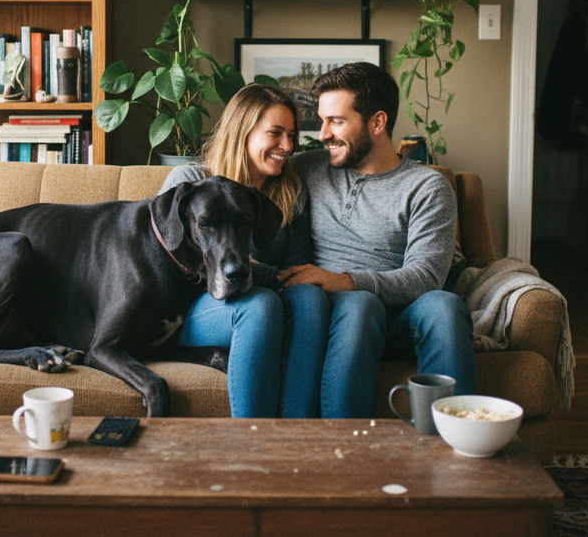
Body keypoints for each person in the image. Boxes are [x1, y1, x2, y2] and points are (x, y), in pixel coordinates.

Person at [278, 62, 476, 418]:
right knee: (360, 305)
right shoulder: (307, 169)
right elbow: (237, 166)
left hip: (401, 314)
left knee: (445, 306)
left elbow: (427, 276)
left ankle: (455, 446)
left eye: (336, 121)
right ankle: (345, 450)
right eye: (322, 120)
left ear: (377, 122)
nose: (323, 134)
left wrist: (349, 281)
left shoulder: (428, 187)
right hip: (335, 313)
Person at [159, 84, 329, 418]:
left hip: (265, 295)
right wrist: (254, 271)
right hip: (195, 308)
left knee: (311, 298)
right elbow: (165, 261)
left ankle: (299, 434)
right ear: (242, 132)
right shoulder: (191, 182)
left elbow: (297, 269)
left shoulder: (290, 191)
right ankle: (251, 439)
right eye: (275, 133)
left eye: (292, 135)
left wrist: (255, 271)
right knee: (261, 304)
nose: (287, 146)